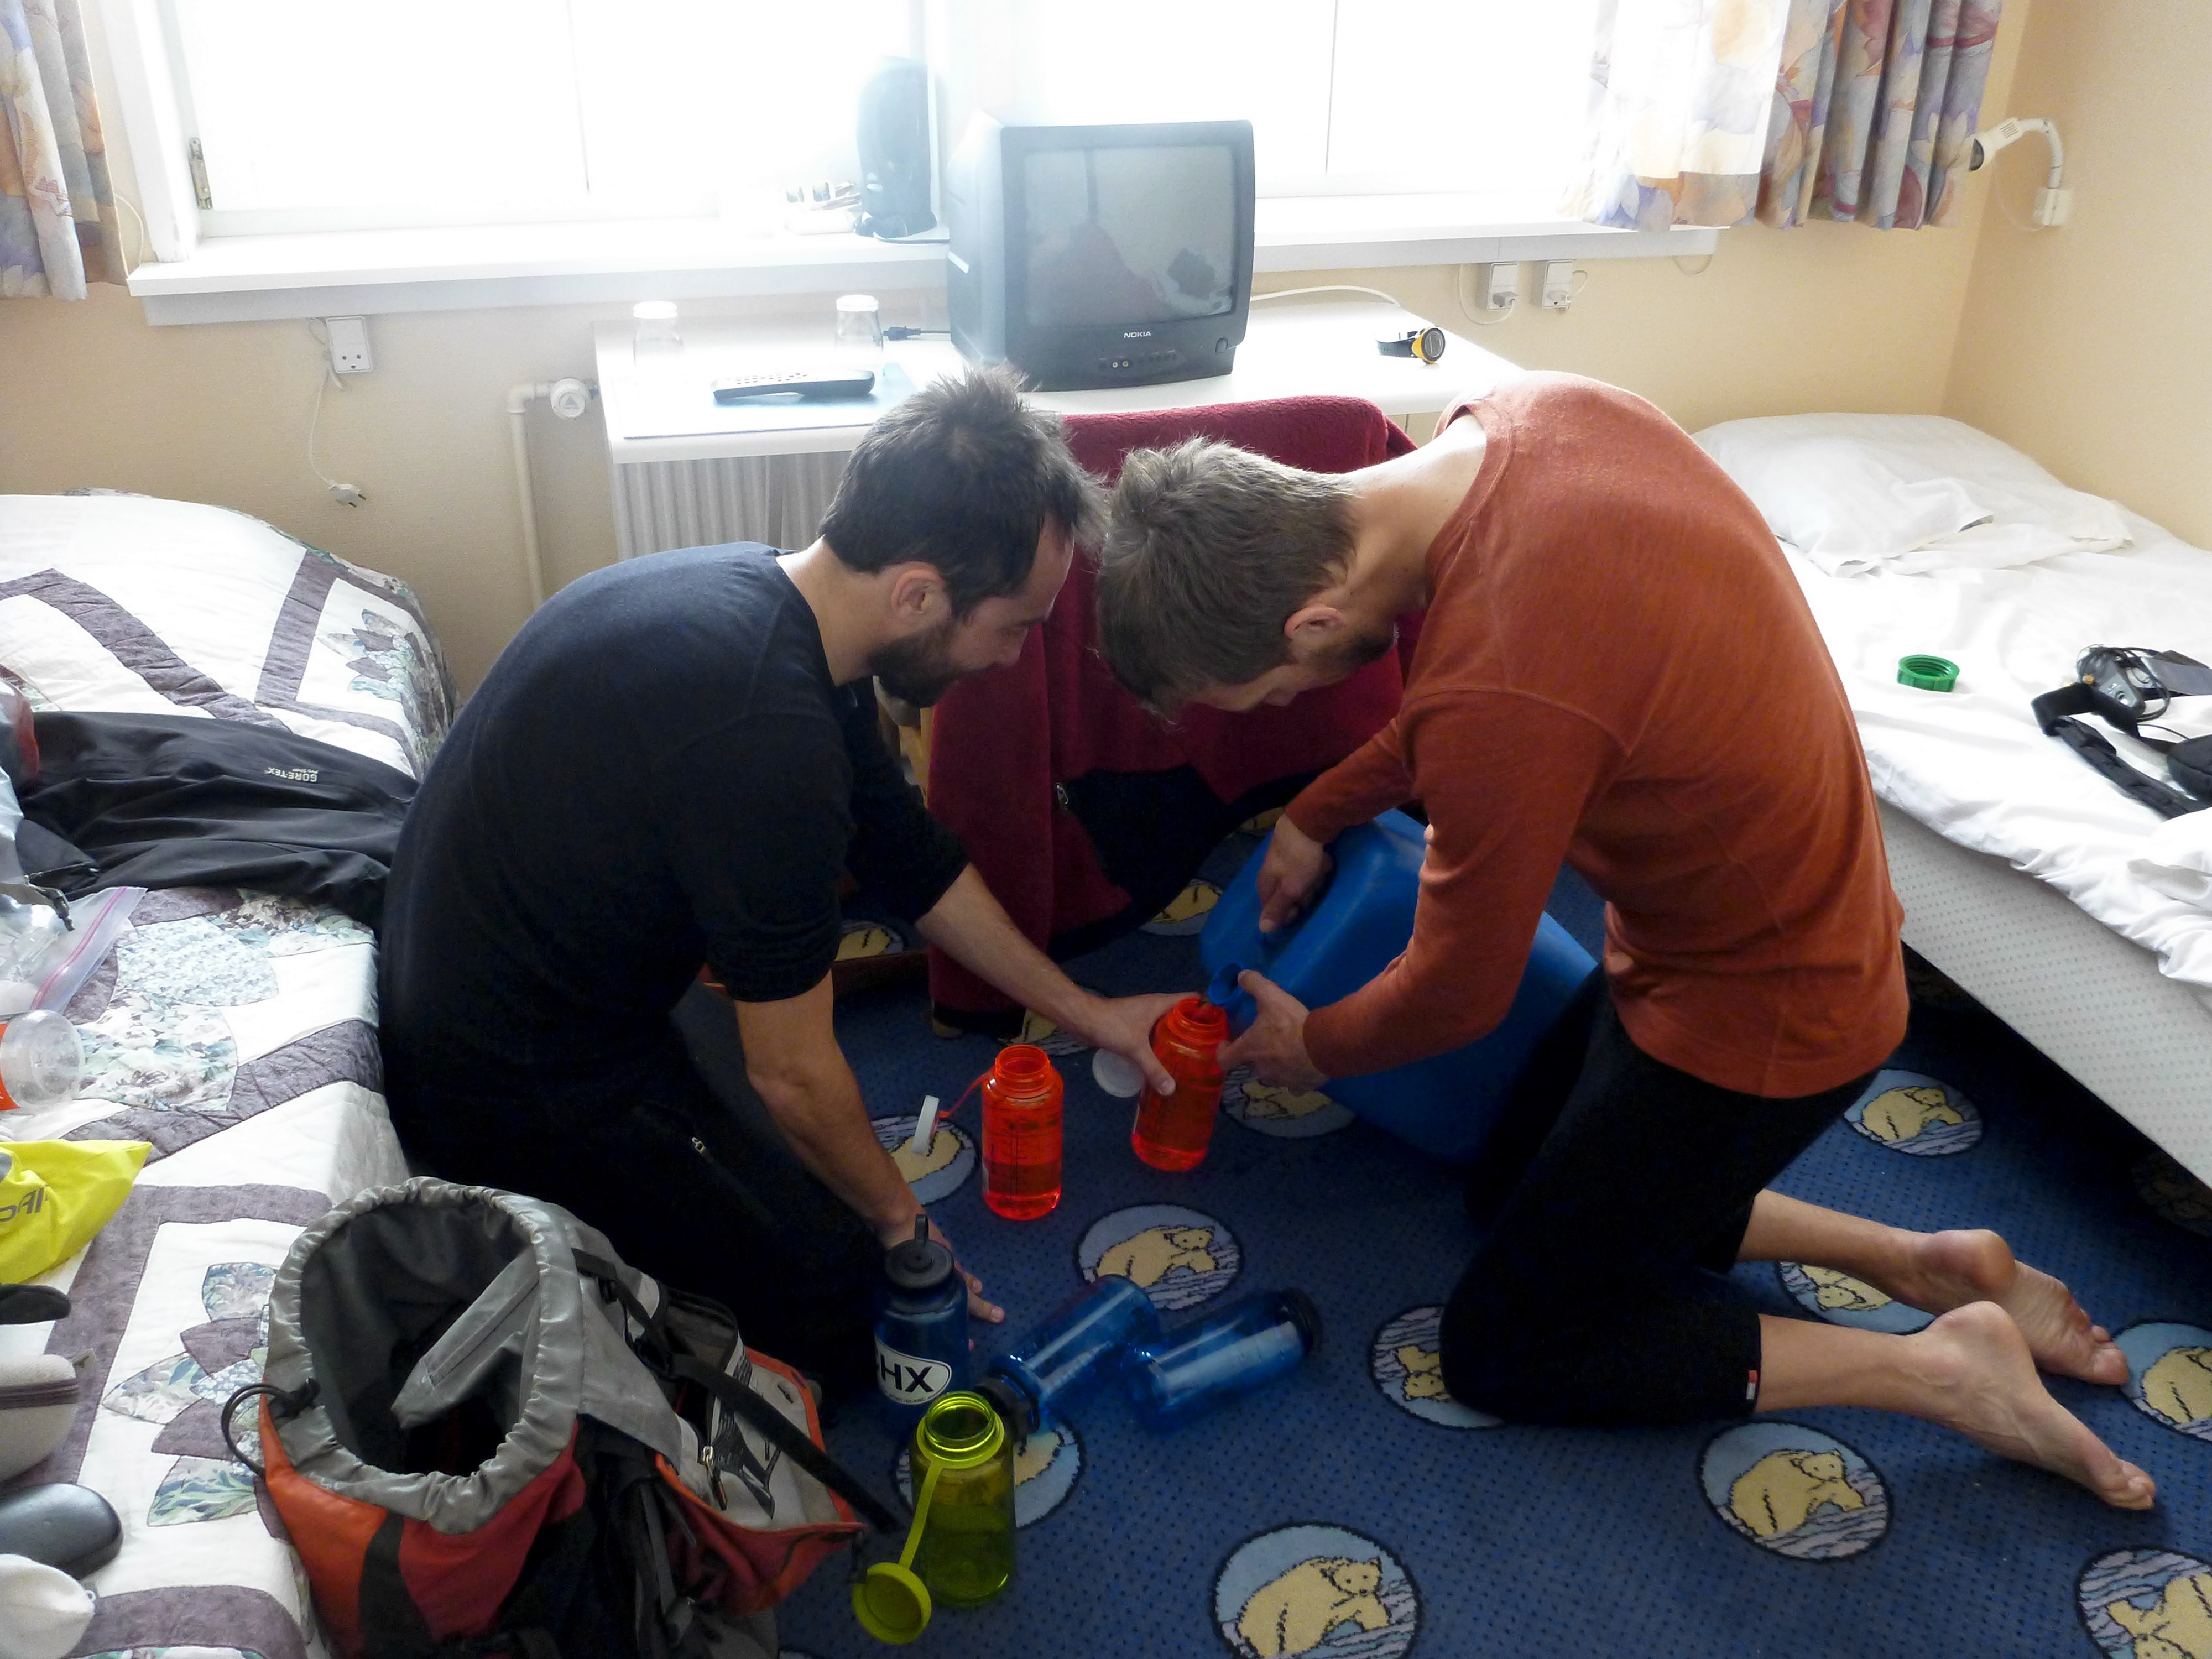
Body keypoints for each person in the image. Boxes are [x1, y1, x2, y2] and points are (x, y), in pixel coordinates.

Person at [1092, 370, 2155, 1510]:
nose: (1271, 716)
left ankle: (1934, 1368)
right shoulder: (1529, 417)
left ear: (1311, 620)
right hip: (1733, 937)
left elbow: (1455, 989)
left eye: (1263, 696)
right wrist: (1317, 808)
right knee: (1512, 1171)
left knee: (1508, 1345)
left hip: (1772, 1017)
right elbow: (1482, 704)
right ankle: (1916, 1262)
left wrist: (1317, 1049)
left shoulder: (1497, 678)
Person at [380, 369, 1180, 1395]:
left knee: (818, 1166)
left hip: (559, 985)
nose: (1015, 657)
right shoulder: (767, 739)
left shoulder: (777, 608)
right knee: (847, 1307)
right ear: (919, 596)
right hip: (510, 1084)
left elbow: (909, 855)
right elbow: (793, 1072)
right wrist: (905, 1229)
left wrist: (1088, 1012)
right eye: (1016, 626)